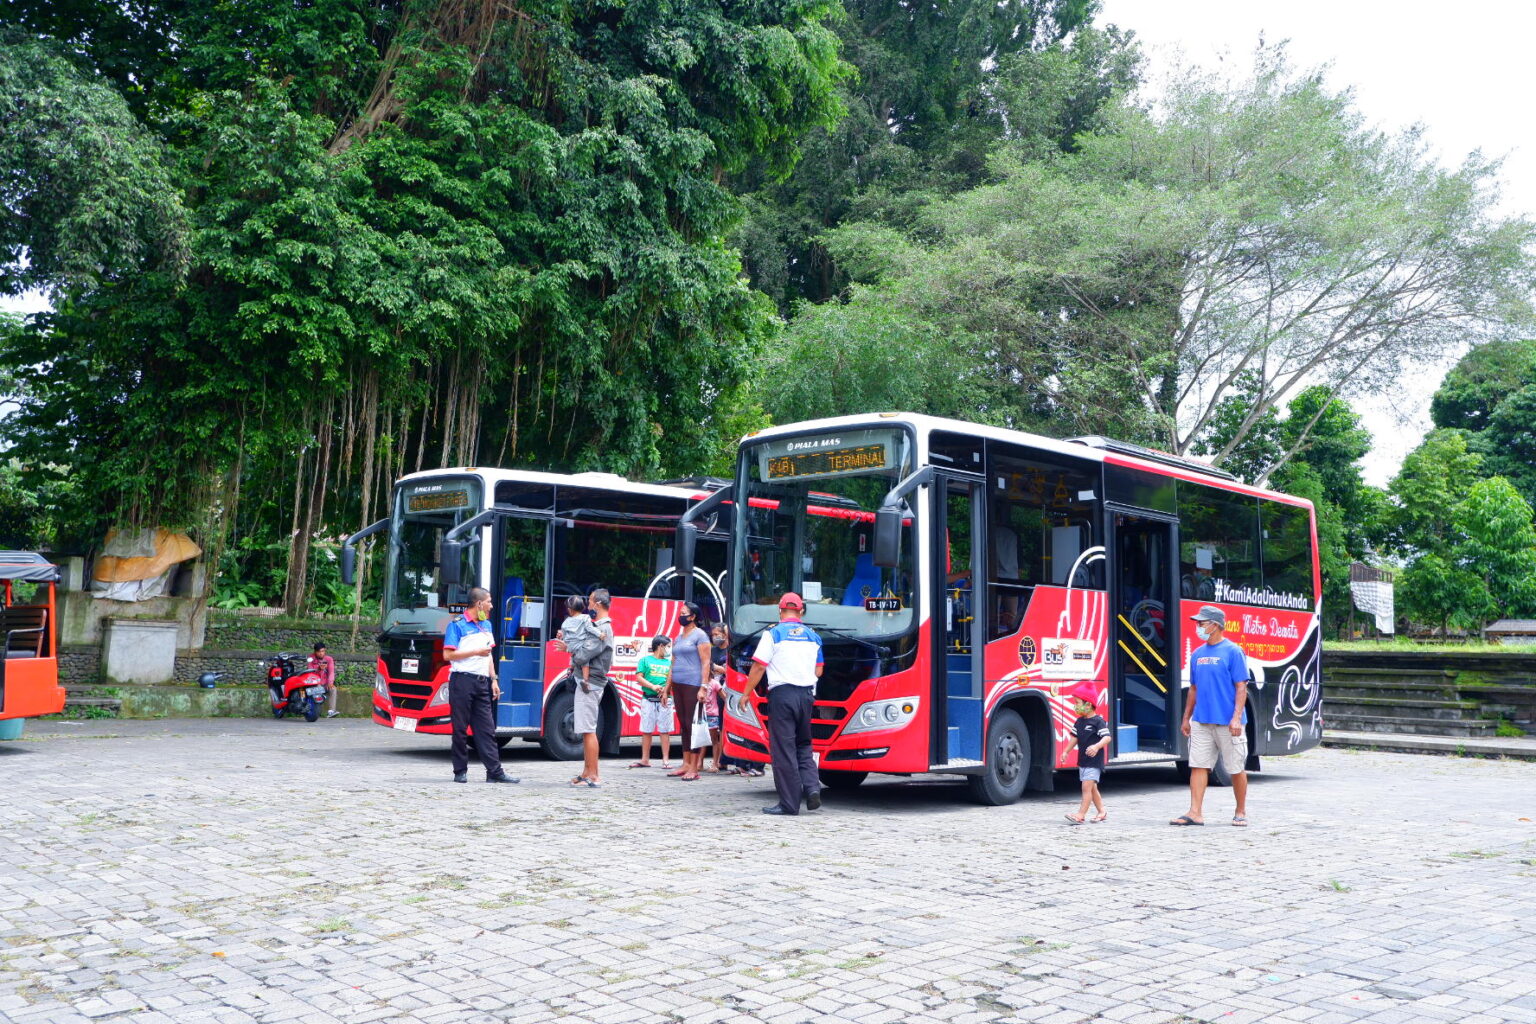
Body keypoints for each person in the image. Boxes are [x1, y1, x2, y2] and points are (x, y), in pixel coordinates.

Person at [744, 593, 823, 815]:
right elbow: (819, 670)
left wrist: (745, 693)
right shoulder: (813, 637)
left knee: (784, 750)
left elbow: (759, 666)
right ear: (801, 611)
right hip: (806, 696)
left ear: (780, 611)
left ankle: (789, 804)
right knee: (804, 745)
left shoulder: (773, 634)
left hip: (783, 696)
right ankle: (812, 787)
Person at [1172, 605, 1250, 826]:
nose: (1198, 627)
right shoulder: (1197, 654)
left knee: (1235, 767)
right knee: (1198, 765)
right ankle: (1195, 812)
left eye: (1201, 623)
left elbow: (1241, 687)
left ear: (1215, 625)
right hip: (1201, 721)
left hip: (1227, 723)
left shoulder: (1233, 652)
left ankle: (1240, 810)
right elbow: (1193, 689)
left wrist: (1236, 717)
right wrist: (1186, 718)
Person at [443, 587, 518, 784]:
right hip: (462, 681)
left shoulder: (487, 625)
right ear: (479, 604)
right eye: (489, 601)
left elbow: (489, 655)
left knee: (487, 729)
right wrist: (475, 652)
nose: (492, 605)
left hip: (482, 682)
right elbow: (448, 655)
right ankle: (460, 771)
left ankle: (494, 771)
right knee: (460, 729)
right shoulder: (457, 625)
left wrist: (493, 679)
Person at [570, 588, 614, 788]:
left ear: (597, 603)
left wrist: (569, 649)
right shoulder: (598, 626)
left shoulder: (602, 628)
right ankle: (586, 771)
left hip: (591, 683)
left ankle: (594, 776)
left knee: (588, 730)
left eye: (590, 601)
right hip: (591, 681)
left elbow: (584, 654)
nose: (588, 604)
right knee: (587, 729)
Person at [663, 602, 712, 782]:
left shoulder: (700, 635)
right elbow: (672, 663)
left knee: (693, 725)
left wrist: (703, 687)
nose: (681, 615)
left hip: (693, 685)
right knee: (683, 724)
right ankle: (685, 763)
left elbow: (706, 662)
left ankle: (694, 767)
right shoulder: (678, 637)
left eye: (684, 613)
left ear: (693, 616)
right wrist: (667, 688)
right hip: (678, 684)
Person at [1064, 694, 1110, 824]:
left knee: (1086, 788)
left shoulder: (1098, 721)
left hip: (1094, 761)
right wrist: (1066, 751)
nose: (1075, 705)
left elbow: (1107, 737)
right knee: (1092, 788)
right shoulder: (1079, 721)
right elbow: (1074, 737)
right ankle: (1102, 811)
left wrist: (1096, 746)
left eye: (1077, 702)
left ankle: (1080, 815)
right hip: (1083, 760)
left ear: (1088, 705)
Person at [631, 636, 675, 769]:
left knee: (664, 731)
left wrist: (666, 691)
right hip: (648, 699)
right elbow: (639, 677)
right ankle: (645, 759)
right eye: (667, 646)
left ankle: (665, 760)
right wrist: (652, 687)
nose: (669, 649)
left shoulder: (670, 663)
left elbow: (672, 680)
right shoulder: (645, 660)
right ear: (660, 646)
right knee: (646, 730)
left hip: (665, 700)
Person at [558, 595, 604, 694]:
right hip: (580, 645)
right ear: (582, 607)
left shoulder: (566, 622)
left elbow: (564, 634)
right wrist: (600, 634)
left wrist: (563, 639)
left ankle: (571, 671)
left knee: (573, 657)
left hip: (571, 645)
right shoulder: (585, 618)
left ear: (570, 610)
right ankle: (585, 681)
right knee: (584, 662)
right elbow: (590, 629)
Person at [308, 642, 339, 718]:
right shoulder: (311, 658)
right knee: (317, 687)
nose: (321, 653)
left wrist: (330, 682)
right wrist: (318, 669)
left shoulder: (329, 659)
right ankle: (315, 711)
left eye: (323, 651)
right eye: (319, 652)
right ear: (315, 652)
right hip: (315, 683)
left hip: (325, 683)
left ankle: (331, 711)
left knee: (333, 689)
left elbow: (331, 672)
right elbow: (310, 671)